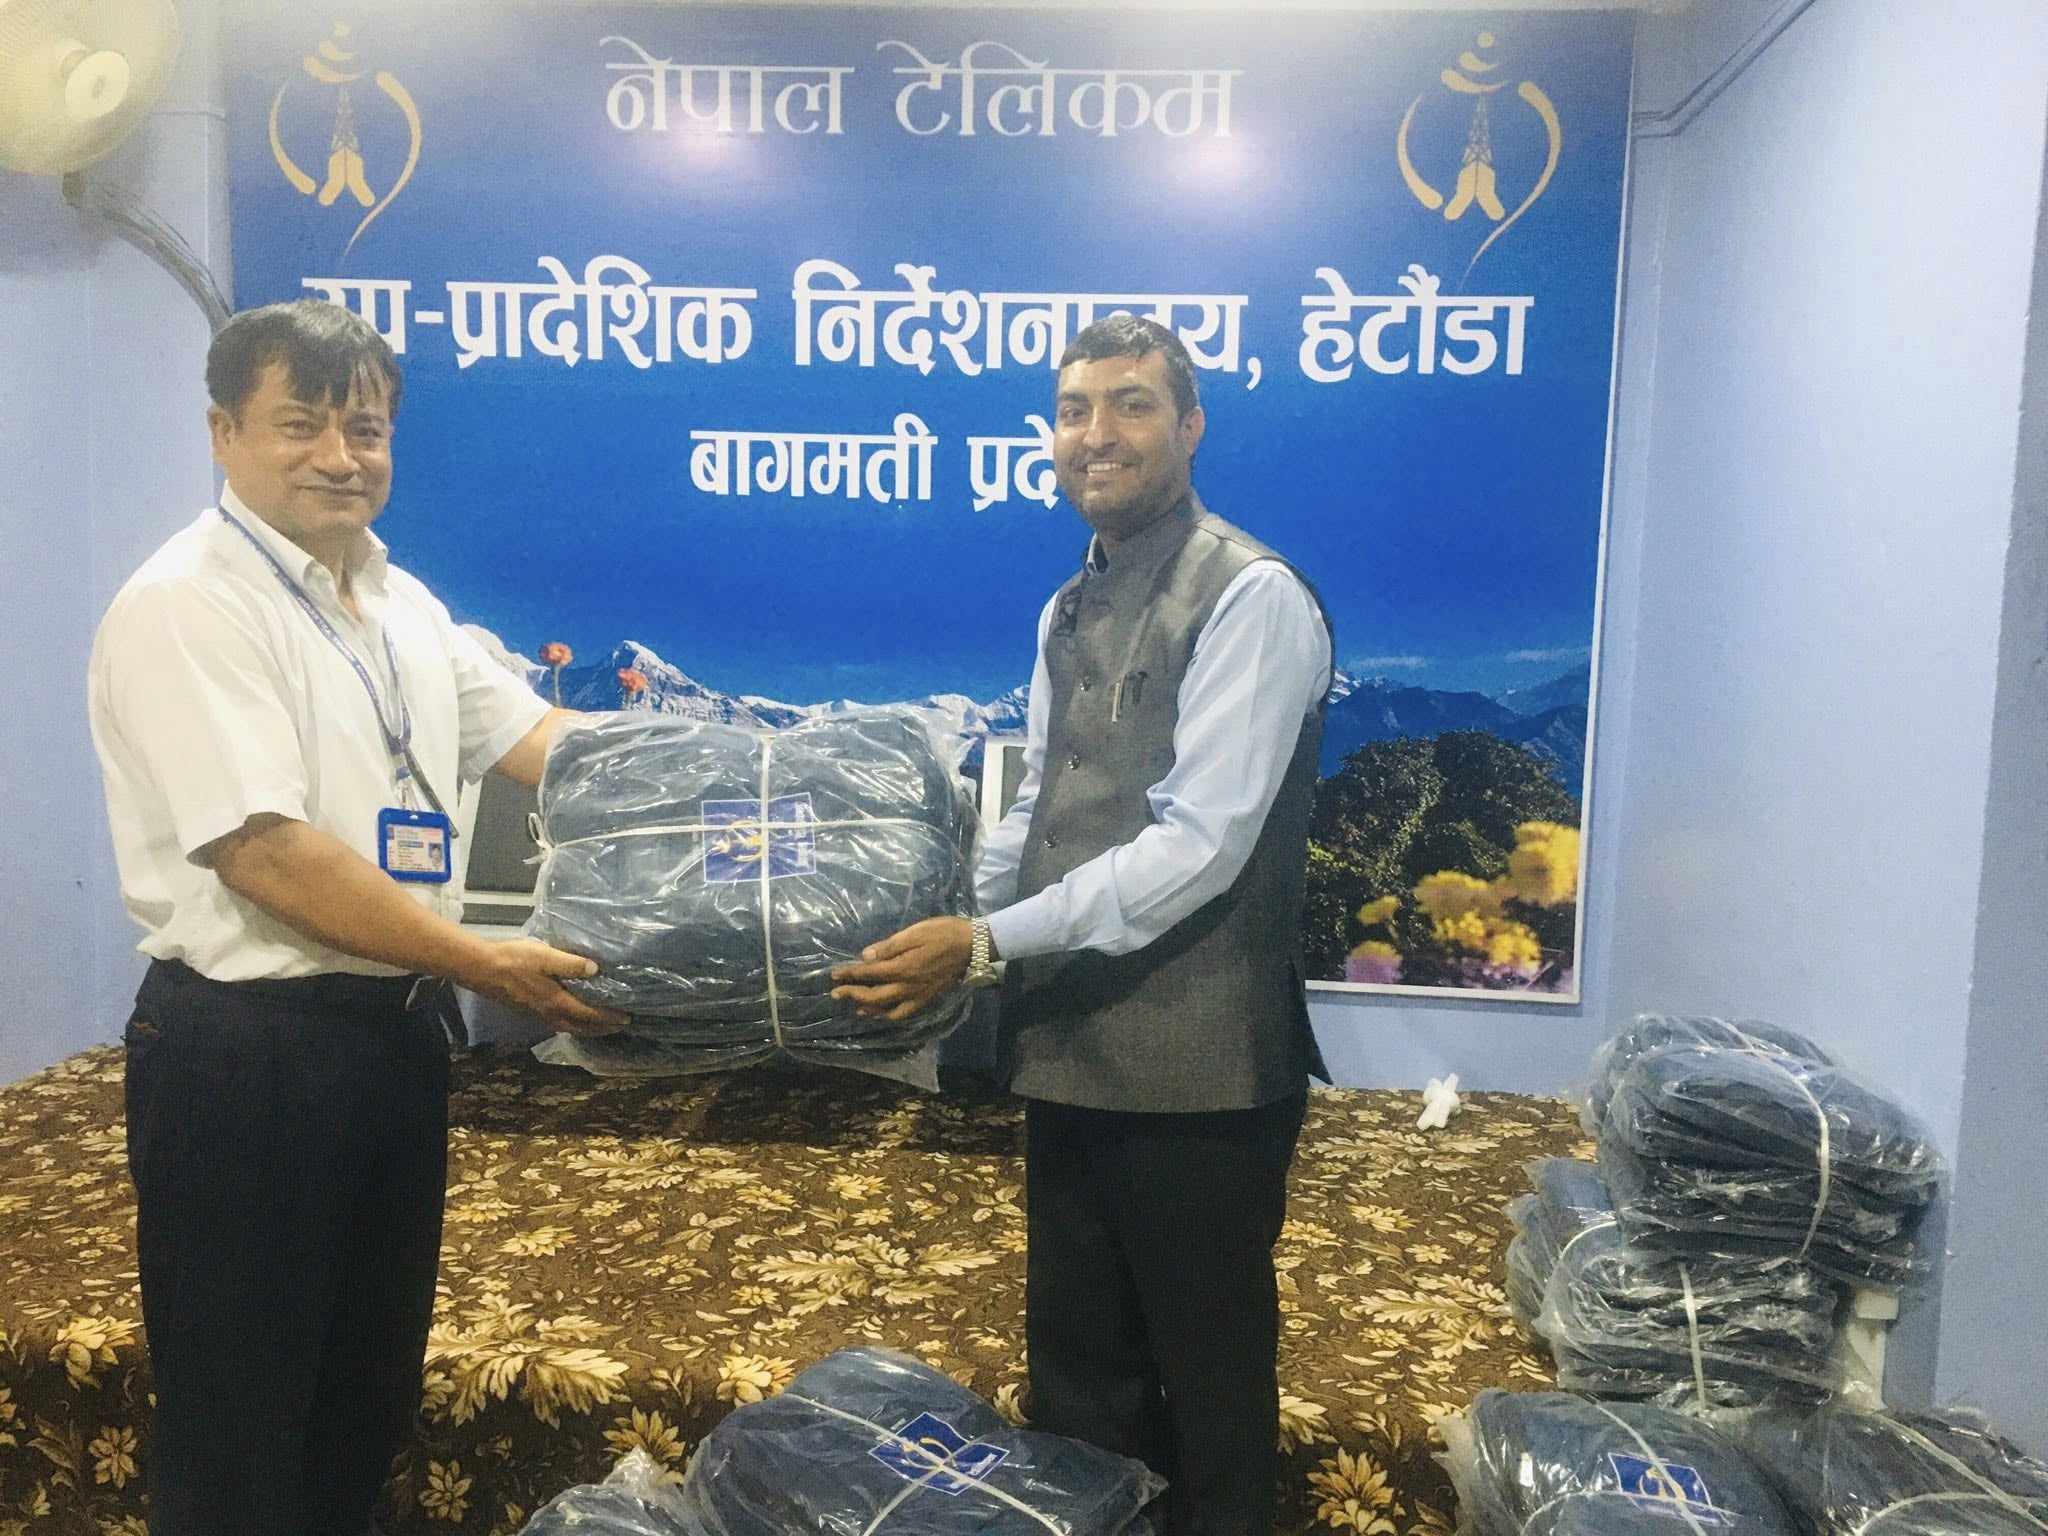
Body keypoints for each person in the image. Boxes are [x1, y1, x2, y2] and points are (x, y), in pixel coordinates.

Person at [86, 300, 624, 1536]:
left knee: (358, 1396)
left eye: (365, 429)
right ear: (222, 433)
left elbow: (545, 742)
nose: (339, 456)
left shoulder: (398, 602)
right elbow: (267, 856)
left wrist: (773, 782)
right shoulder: (189, 604)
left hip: (388, 1041)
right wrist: (479, 961)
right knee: (241, 1420)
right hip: (247, 1056)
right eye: (300, 425)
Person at [833, 315, 1334, 1535]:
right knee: (1078, 1384)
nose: (1094, 434)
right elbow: (1042, 808)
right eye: (1072, 411)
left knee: (1207, 1393)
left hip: (1202, 1074)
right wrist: (955, 918)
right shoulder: (1068, 604)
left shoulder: (1250, 594)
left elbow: (1197, 845)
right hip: (1067, 1050)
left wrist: (985, 946)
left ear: (1189, 425)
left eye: (1129, 404)